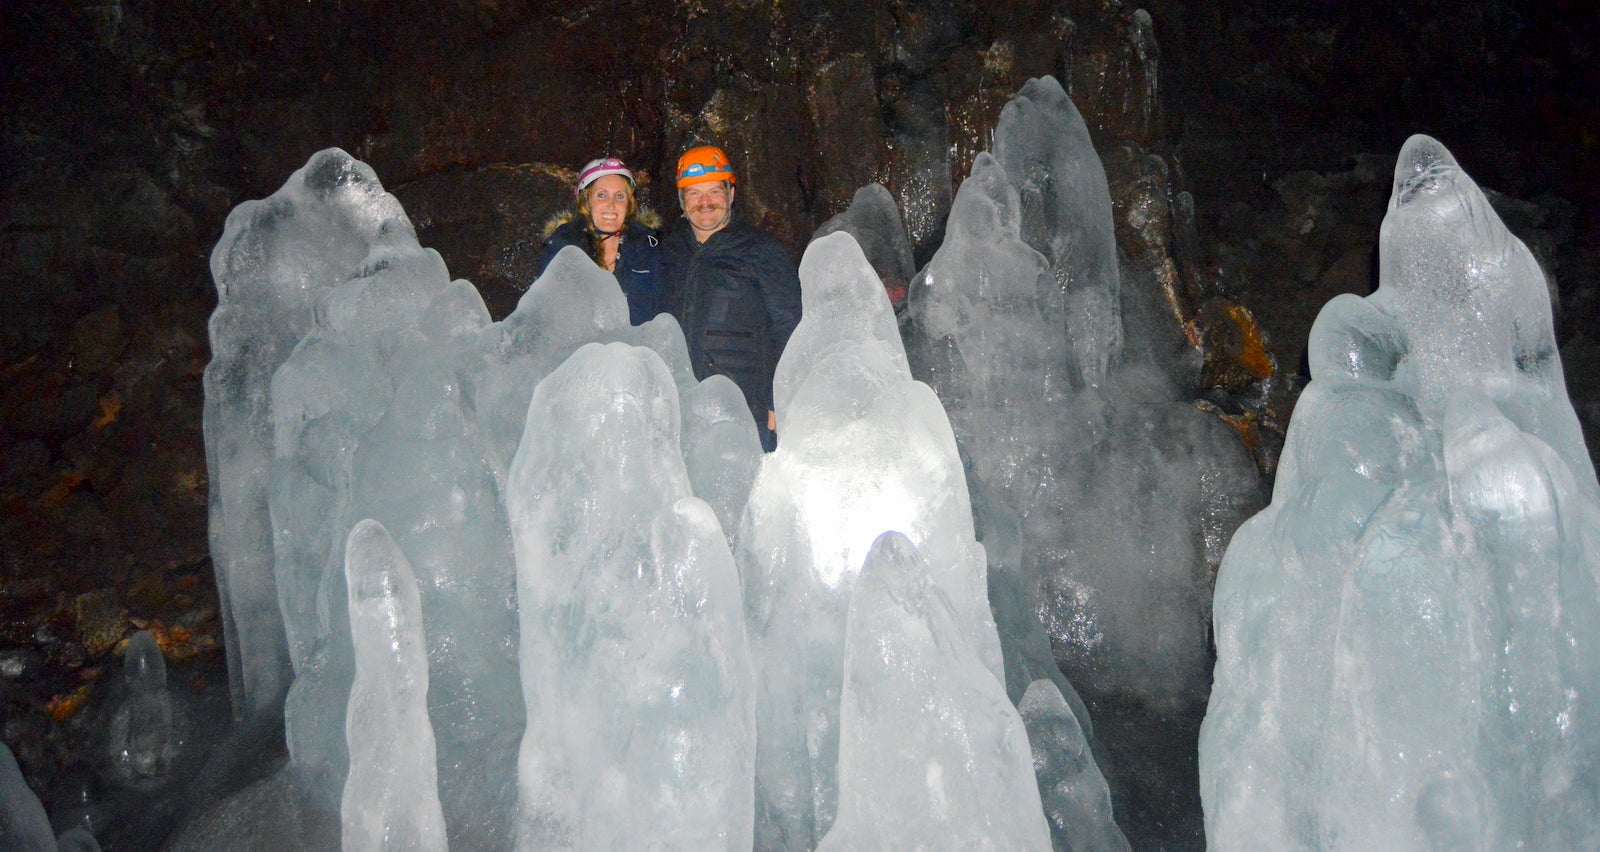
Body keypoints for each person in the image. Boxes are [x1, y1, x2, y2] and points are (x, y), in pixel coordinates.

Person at [662, 145, 802, 452]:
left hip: (746, 409)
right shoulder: (668, 252)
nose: (705, 202)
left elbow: (789, 326)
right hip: (682, 410)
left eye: (714, 191)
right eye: (694, 193)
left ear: (731, 194)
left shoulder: (763, 250)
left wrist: (777, 398)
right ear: (682, 201)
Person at [538, 156, 664, 325]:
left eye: (619, 196)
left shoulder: (649, 249)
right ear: (586, 201)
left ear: (629, 204)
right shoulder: (560, 249)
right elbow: (543, 316)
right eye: (602, 195)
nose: (611, 205)